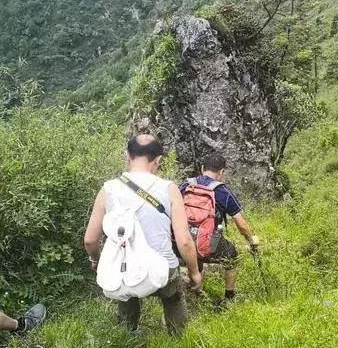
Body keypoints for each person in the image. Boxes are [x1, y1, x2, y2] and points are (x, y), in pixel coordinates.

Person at [84, 134, 203, 334]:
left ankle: (128, 334)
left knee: (127, 289)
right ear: (158, 160)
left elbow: (90, 240)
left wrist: (96, 261)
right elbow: (184, 242)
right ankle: (179, 340)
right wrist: (194, 272)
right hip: (163, 271)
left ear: (126, 156)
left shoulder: (109, 189)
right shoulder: (169, 188)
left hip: (127, 269)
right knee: (173, 298)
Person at [179, 153, 259, 303]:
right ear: (222, 172)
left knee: (197, 248)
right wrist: (251, 240)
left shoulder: (185, 185)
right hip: (207, 244)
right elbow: (241, 225)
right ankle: (229, 298)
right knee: (232, 256)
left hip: (181, 243)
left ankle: (195, 290)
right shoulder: (222, 192)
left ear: (202, 168)